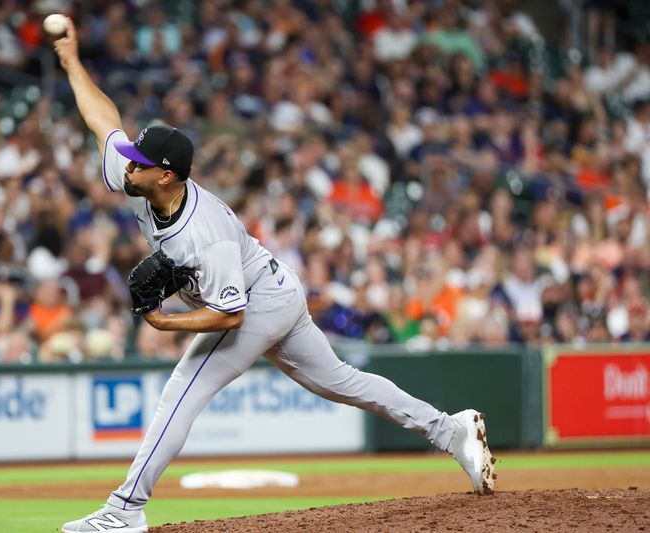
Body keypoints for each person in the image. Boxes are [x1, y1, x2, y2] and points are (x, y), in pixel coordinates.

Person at [53, 18, 495, 533]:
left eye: (137, 163)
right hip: (274, 286)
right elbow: (104, 121)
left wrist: (163, 322)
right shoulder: (142, 181)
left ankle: (125, 509)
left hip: (253, 303)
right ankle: (451, 431)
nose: (126, 166)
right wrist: (70, 62)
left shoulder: (204, 233)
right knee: (343, 382)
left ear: (166, 175)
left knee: (182, 390)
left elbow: (230, 314)